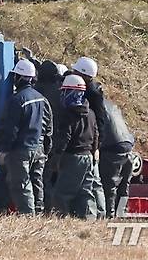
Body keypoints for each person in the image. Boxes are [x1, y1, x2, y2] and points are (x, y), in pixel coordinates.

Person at [0, 58, 52, 215]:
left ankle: (28, 216)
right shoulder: (42, 99)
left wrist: (4, 149)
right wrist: (46, 148)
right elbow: (48, 128)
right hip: (39, 149)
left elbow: (10, 128)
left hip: (21, 149)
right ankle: (39, 212)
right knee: (36, 181)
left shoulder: (17, 100)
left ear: (18, 77)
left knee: (22, 184)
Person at [52, 74, 98, 219]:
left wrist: (57, 157)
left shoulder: (68, 114)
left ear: (71, 92)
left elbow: (65, 137)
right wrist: (94, 150)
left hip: (73, 157)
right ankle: (89, 219)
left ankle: (62, 219)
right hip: (88, 157)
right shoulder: (90, 113)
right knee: (85, 191)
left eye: (65, 91)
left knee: (62, 193)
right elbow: (96, 134)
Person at [71, 55, 107, 218]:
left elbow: (100, 122)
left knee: (94, 180)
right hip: (92, 140)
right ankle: (98, 212)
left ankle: (99, 212)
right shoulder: (92, 89)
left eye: (76, 71)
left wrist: (96, 146)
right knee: (92, 181)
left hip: (92, 142)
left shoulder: (91, 93)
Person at [99, 97, 135, 217]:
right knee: (124, 184)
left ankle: (110, 214)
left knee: (110, 184)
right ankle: (121, 212)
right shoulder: (111, 105)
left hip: (113, 145)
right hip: (127, 143)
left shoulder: (94, 104)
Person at [35, 60, 62, 213]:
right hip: (55, 141)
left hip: (39, 140)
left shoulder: (36, 92)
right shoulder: (59, 92)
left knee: (41, 178)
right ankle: (50, 209)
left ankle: (45, 209)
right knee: (49, 178)